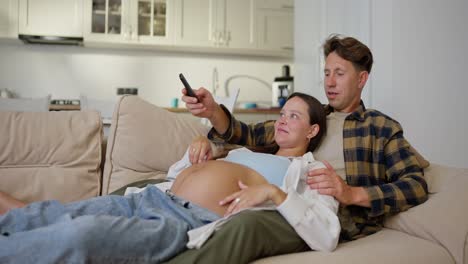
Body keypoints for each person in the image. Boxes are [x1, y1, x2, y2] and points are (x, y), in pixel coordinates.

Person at [169, 34, 429, 263]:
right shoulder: (308, 116)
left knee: (243, 226)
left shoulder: (379, 128)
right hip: (286, 199)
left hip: (324, 217)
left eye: (339, 73)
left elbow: (415, 184)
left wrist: (352, 194)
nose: (330, 82)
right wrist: (213, 111)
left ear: (361, 79)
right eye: (326, 73)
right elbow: (246, 134)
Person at [0, 93, 340, 263]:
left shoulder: (312, 172)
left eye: (292, 116)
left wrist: (274, 194)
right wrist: (198, 151)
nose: (281, 120)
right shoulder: (241, 151)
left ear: (312, 130)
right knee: (57, 214)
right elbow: (177, 174)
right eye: (281, 113)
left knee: (81, 234)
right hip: (150, 196)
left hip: (185, 221)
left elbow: (326, 235)